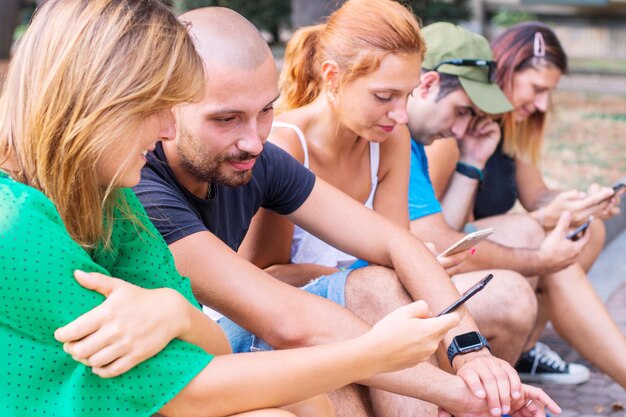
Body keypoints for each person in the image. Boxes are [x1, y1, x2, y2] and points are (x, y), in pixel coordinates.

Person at [0, 1, 472, 416]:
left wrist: (176, 312)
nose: (165, 128)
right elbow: (196, 387)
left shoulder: (114, 202)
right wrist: (377, 355)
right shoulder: (20, 223)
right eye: (155, 107)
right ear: (93, 105)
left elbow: (212, 344)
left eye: (266, 110)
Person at [131, 3, 559, 417]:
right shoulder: (141, 187)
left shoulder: (257, 159)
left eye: (265, 111)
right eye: (226, 119)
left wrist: (469, 353)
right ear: (168, 106)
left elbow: (394, 241)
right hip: (187, 370)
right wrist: (457, 391)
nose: (254, 140)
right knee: (370, 293)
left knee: (378, 294)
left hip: (237, 351)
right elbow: (287, 320)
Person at [242, 0, 532, 379]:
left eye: (408, 96)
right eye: (385, 96)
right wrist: (366, 276)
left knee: (503, 297)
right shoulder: (285, 147)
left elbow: (393, 250)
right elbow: (264, 276)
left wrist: (417, 264)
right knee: (389, 296)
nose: (400, 113)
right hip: (295, 318)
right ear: (333, 77)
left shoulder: (392, 139)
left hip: (376, 303)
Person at [419, 22, 626, 388]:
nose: (543, 103)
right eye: (537, 88)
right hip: (444, 256)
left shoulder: (513, 125)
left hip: (464, 245)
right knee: (536, 233)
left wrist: (577, 203)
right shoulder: (447, 128)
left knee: (586, 230)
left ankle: (527, 348)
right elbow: (440, 228)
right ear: (507, 72)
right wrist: (543, 220)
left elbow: (537, 195)